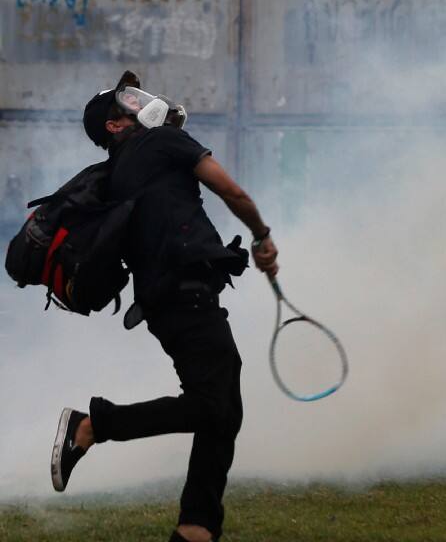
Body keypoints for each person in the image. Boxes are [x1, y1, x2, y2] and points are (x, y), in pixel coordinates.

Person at [51, 73, 279, 542]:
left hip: (164, 301)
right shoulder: (163, 142)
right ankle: (91, 425)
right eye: (128, 100)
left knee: (223, 408)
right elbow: (232, 192)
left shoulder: (116, 172)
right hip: (185, 291)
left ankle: (196, 529)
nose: (142, 100)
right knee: (215, 407)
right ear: (115, 125)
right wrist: (262, 237)